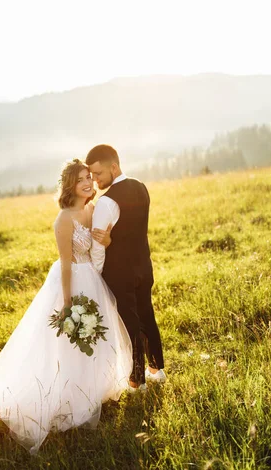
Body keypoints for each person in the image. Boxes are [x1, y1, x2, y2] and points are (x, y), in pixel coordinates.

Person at [0, 159, 132, 454]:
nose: (88, 183)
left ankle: (92, 389)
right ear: (69, 186)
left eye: (90, 177)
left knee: (96, 337)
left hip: (93, 279)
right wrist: (67, 303)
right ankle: (67, 396)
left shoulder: (92, 209)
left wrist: (110, 237)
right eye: (81, 180)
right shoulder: (63, 220)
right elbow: (66, 264)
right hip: (72, 281)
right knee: (69, 342)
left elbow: (101, 242)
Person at [86, 144, 165, 391]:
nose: (95, 180)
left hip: (120, 271)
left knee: (130, 323)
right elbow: (135, 228)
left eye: (98, 174)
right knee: (146, 315)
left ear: (114, 167)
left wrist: (96, 274)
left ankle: (137, 380)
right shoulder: (141, 187)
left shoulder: (106, 202)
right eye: (92, 175)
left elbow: (98, 247)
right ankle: (157, 369)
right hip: (144, 265)